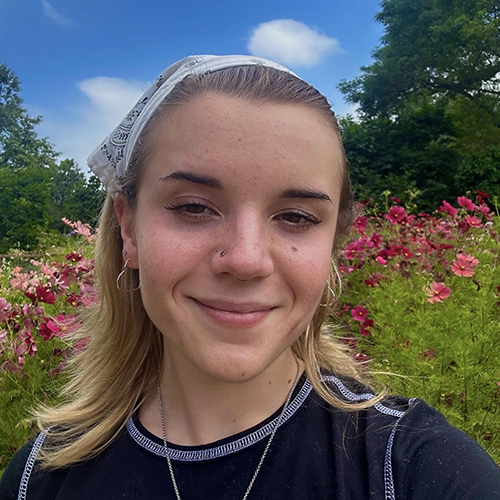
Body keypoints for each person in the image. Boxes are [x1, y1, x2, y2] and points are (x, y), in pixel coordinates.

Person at [1, 55, 499, 500]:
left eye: (297, 217)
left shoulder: (415, 471)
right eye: (194, 207)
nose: (245, 259)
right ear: (129, 228)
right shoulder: (38, 479)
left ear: (333, 242)